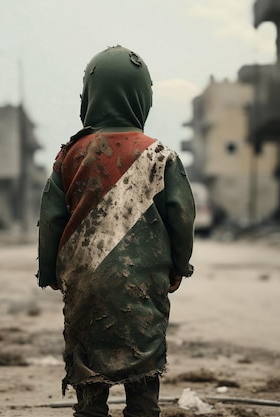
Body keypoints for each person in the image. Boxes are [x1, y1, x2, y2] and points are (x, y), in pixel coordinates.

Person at [37, 45, 195, 417]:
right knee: (144, 360)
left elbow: (50, 220)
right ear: (143, 96)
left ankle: (90, 410)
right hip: (142, 283)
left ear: (90, 96)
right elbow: (182, 216)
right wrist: (179, 266)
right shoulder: (160, 155)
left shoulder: (70, 155)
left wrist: (50, 272)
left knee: (88, 367)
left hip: (84, 283)